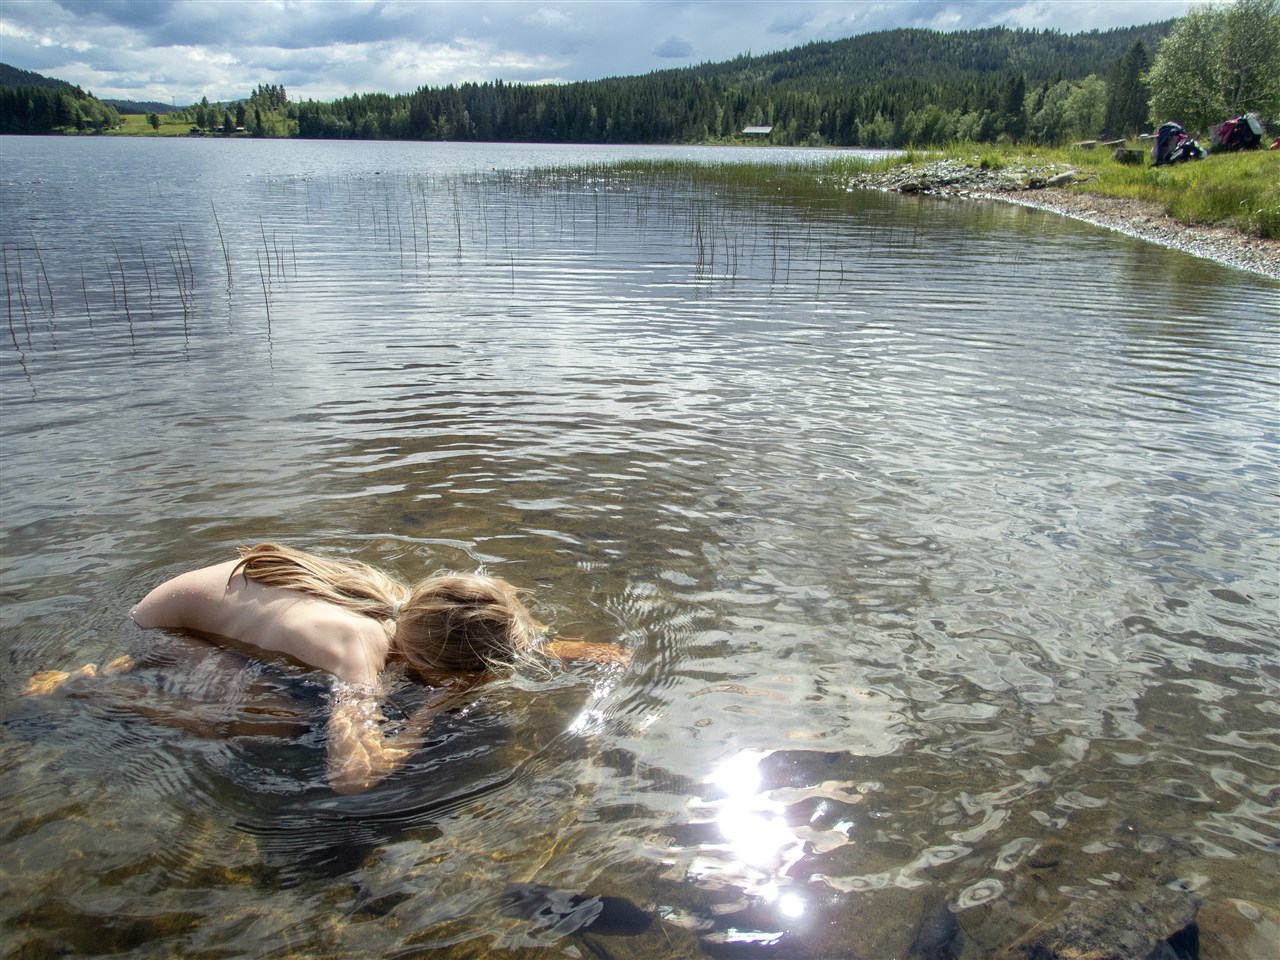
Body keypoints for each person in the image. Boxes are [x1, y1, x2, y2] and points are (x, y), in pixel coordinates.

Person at [25, 542, 630, 794]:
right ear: (426, 663)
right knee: (277, 720)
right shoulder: (358, 654)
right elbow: (352, 776)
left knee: (275, 684)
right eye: (461, 678)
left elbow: (482, 635)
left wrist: (577, 652)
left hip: (194, 605)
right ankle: (92, 691)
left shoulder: (407, 609)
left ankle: (131, 666)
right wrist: (426, 712)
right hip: (162, 626)